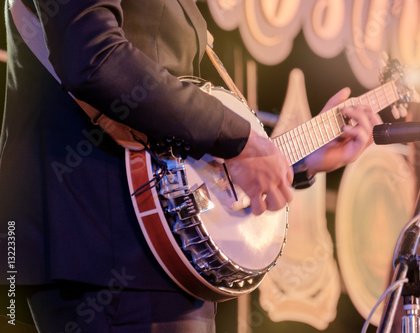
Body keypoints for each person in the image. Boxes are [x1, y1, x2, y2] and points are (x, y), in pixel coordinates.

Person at [0, 0, 381, 332]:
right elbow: (93, 56)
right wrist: (238, 140)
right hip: (102, 244)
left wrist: (294, 159)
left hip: (160, 246)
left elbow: (181, 141)